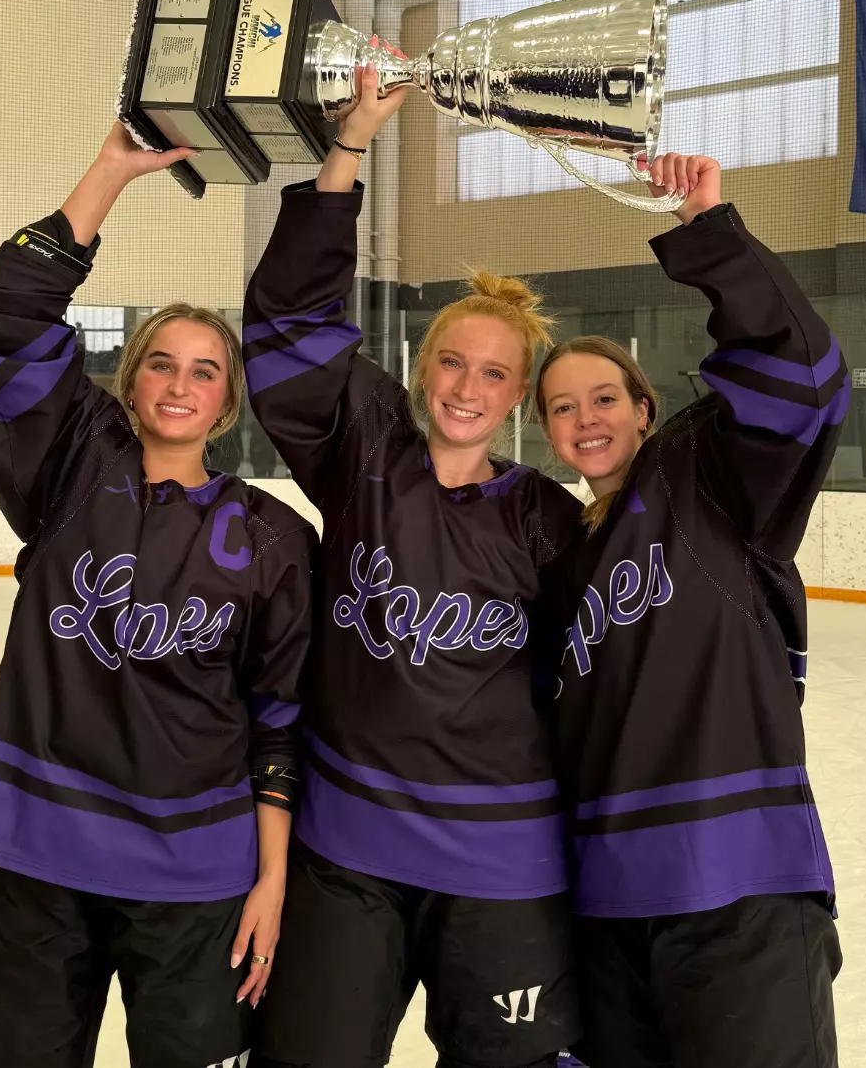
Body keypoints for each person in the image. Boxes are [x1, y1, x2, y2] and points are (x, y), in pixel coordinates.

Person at [0, 124, 318, 1068]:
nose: (180, 383)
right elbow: (6, 311)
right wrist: (113, 170)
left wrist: (274, 880)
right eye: (160, 361)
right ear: (130, 377)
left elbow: (280, 722)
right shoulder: (69, 470)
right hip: (33, 858)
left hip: (196, 879)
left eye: (205, 370)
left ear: (227, 401)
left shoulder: (275, 539)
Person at [241, 62, 584, 1068]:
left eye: (492, 373)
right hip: (349, 851)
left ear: (517, 395)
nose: (466, 385)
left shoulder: (541, 517)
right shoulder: (365, 453)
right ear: (418, 366)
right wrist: (348, 146)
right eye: (450, 361)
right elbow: (289, 328)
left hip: (503, 861)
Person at [532, 153, 848, 1068]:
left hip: (738, 889)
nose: (584, 419)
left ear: (645, 409)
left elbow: (805, 380)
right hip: (606, 905)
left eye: (603, 398)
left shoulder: (712, 480)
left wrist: (710, 229)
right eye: (560, 407)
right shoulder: (558, 556)